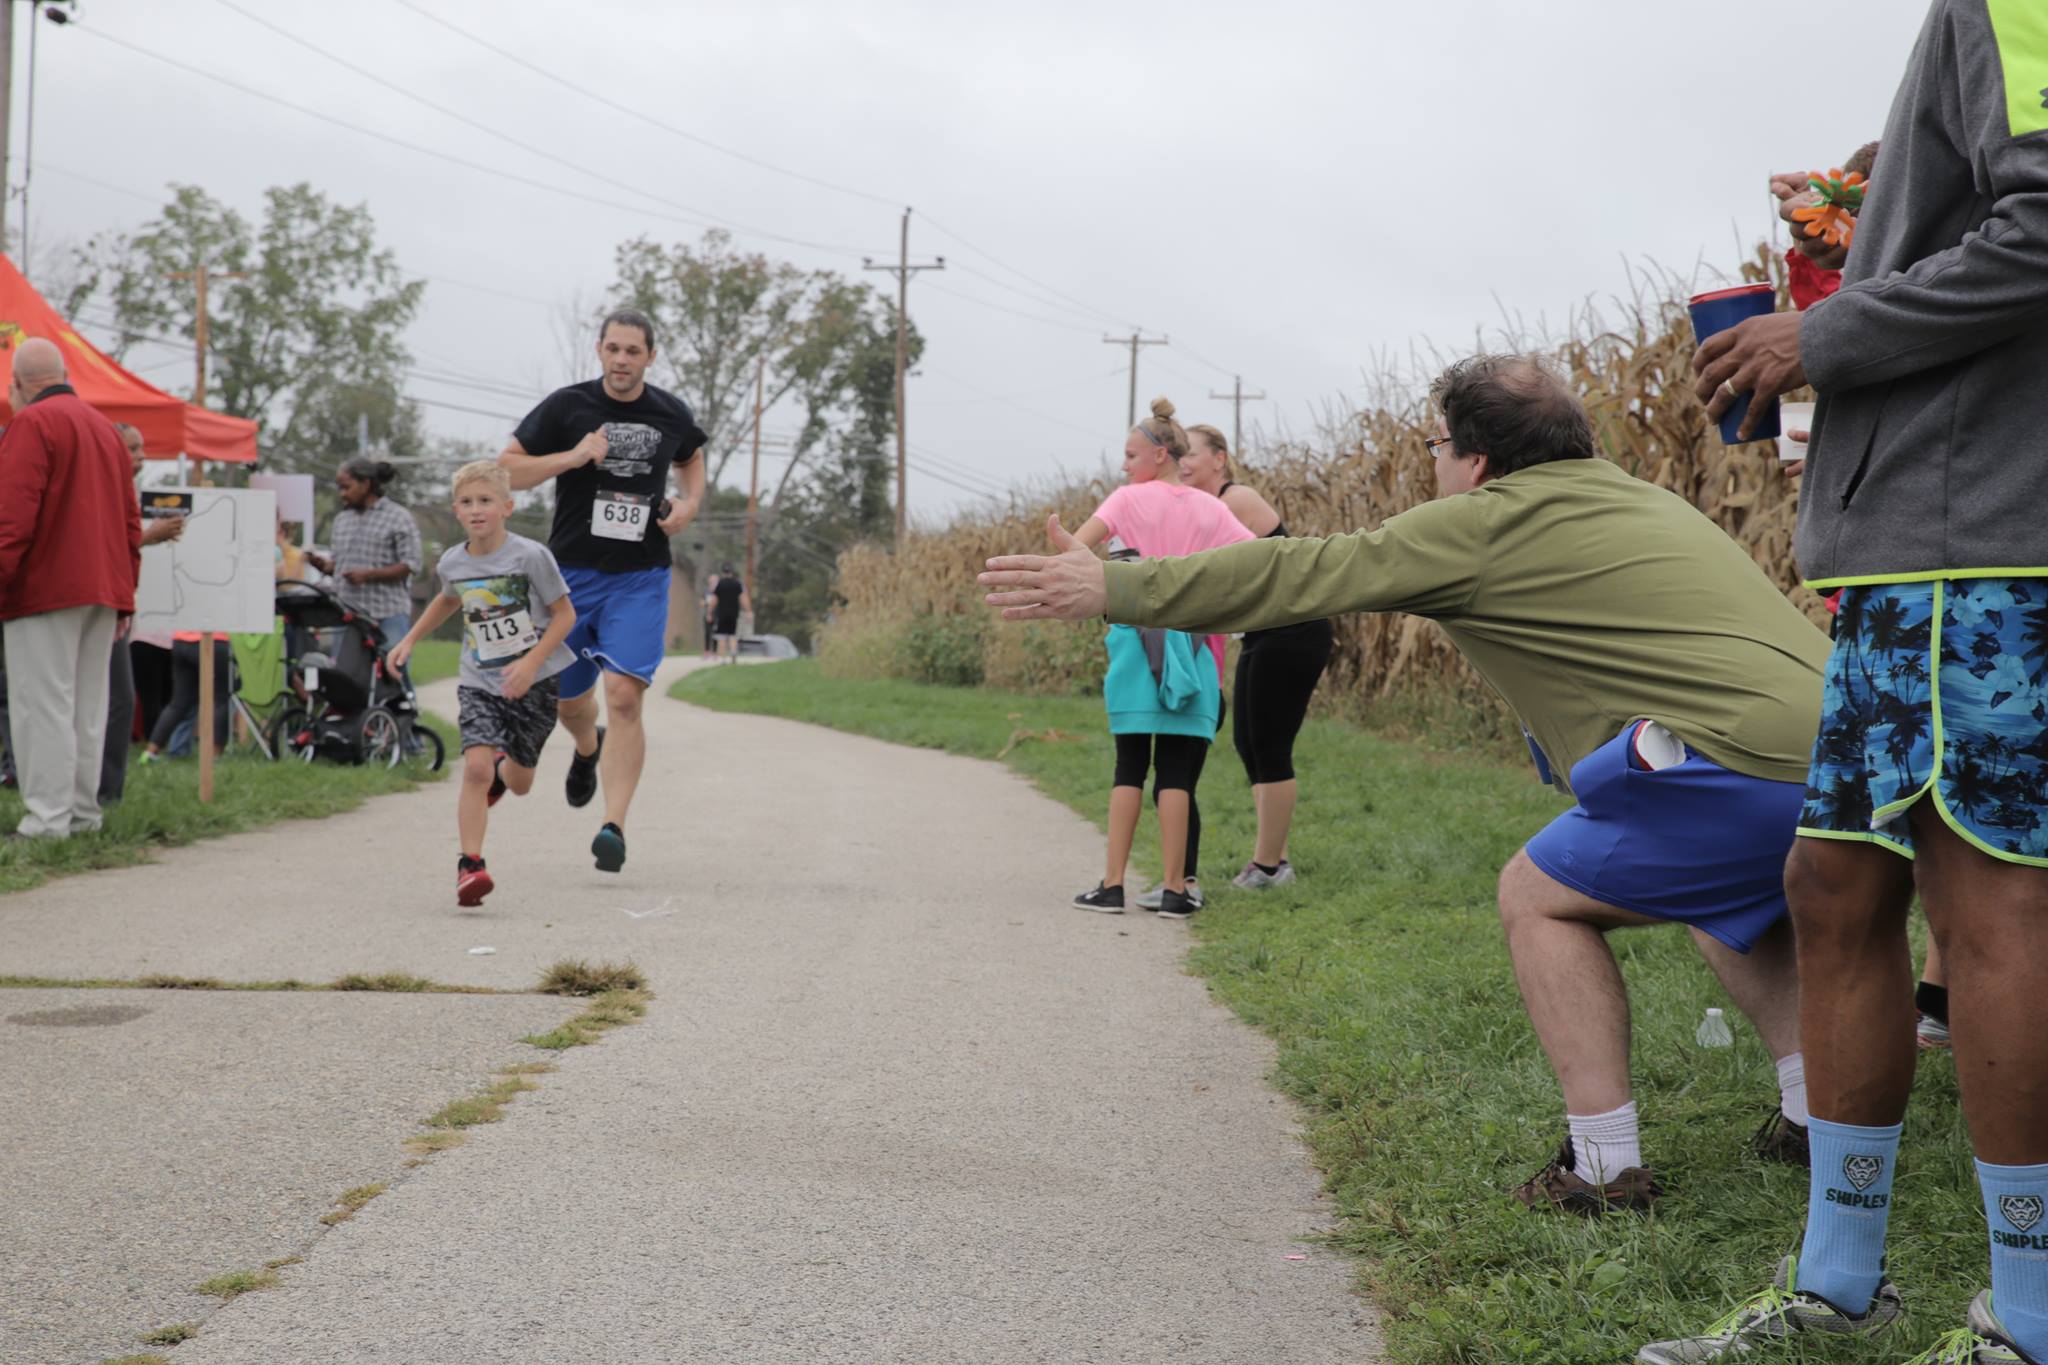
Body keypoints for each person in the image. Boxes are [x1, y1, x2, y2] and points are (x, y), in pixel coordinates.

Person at [981, 356, 1826, 1208]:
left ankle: (1603, 1168)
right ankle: (1809, 1118)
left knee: (1537, 895)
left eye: (1436, 444)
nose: (1432, 462)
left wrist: (1118, 584)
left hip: (1734, 762)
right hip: (1844, 759)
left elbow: (1297, 571)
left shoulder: (1481, 522)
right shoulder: (1647, 497)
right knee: (1726, 890)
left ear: (1478, 461)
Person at [1643, 0, 2048, 1356]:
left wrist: (1825, 335)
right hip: (1924, 549)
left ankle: (2032, 1319)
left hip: (1974, 548)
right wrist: (1865, 213)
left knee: (1985, 904)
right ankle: (1840, 1283)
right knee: (1835, 884)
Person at [501, 308, 705, 874]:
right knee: (569, 702)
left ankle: (613, 826)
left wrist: (688, 505)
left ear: (650, 357)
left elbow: (691, 460)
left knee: (624, 695)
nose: (621, 360)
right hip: (568, 578)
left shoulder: (670, 413)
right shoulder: (568, 407)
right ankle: (587, 746)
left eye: (632, 351)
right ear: (599, 350)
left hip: (640, 577)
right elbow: (505, 471)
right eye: (613, 349)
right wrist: (572, 456)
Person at [1064, 397, 1254, 918]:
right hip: (1196, 649)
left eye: (1131, 455)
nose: (1124, 466)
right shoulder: (1212, 508)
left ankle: (1112, 885)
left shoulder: (1125, 501)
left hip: (1132, 643)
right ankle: (1175, 889)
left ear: (1160, 454)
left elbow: (1076, 552)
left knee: (1129, 766)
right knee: (1176, 774)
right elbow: (1256, 559)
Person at [389, 462, 577, 907]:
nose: (477, 510)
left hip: (536, 680)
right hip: (480, 679)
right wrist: (410, 638)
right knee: (475, 768)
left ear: (507, 507)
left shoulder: (531, 556)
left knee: (521, 779)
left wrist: (531, 664)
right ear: (456, 510)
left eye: (486, 501)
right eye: (468, 502)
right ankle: (470, 865)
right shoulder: (454, 561)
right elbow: (448, 598)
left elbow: (565, 615)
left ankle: (501, 767)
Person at [1178, 422, 1333, 889]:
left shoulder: (1235, 500)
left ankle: (1267, 867)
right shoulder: (1206, 506)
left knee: (1270, 745)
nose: (1181, 461)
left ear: (1218, 460)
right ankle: (1275, 859)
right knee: (1248, 742)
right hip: (1263, 634)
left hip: (1294, 629)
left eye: (1189, 453)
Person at [0, 338, 141, 839]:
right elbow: (130, 521)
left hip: (45, 588)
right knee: (87, 708)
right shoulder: (105, 430)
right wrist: (127, 592)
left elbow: (11, 521)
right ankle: (83, 814)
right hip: (102, 587)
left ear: (16, 385)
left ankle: (46, 820)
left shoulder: (31, 425)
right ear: (63, 374)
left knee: (44, 706)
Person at [99, 422, 186, 803]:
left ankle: (106, 791)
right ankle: (101, 791)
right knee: (118, 698)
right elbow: (104, 542)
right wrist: (151, 535)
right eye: (133, 448)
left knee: (121, 698)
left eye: (142, 447)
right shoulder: (102, 488)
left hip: (119, 606)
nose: (141, 456)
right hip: (100, 605)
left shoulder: (125, 490)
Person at [305, 457, 422, 688]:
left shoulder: (398, 517)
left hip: (387, 612)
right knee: (345, 678)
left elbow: (411, 564)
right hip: (349, 614)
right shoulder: (342, 520)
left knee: (395, 672)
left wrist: (368, 575)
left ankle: (406, 719)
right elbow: (338, 565)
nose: (342, 493)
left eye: (346, 487)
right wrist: (322, 565)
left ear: (366, 484)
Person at [710, 564, 747, 662]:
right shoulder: (737, 584)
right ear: (731, 572)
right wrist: (748, 610)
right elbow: (742, 598)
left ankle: (723, 658)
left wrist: (709, 611)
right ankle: (733, 651)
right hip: (733, 613)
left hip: (722, 614)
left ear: (723, 573)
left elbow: (714, 599)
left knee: (721, 636)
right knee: (732, 634)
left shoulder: (720, 584)